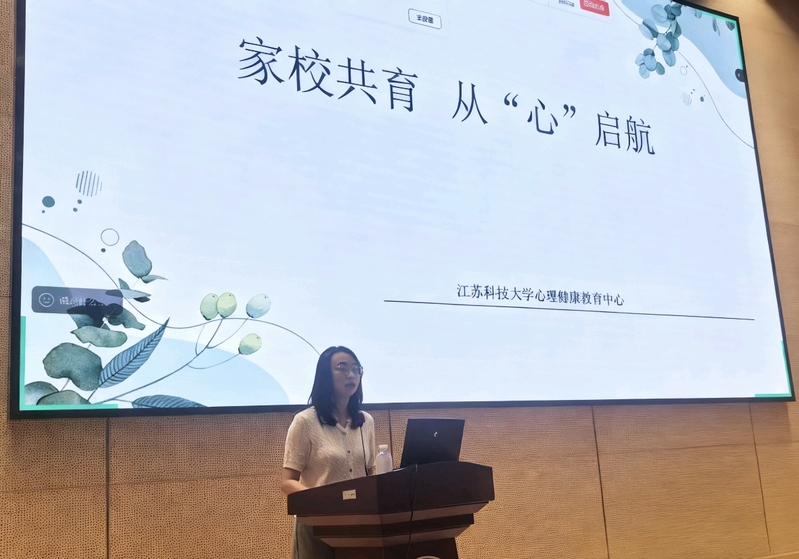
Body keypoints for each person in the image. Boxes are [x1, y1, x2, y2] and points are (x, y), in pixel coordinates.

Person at [282, 346, 376, 559]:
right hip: (317, 524)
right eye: (342, 368)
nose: (351, 374)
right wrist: (324, 501)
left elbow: (370, 471)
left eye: (356, 368)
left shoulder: (365, 421)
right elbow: (287, 482)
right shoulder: (305, 422)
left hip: (359, 523)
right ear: (325, 375)